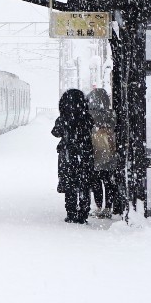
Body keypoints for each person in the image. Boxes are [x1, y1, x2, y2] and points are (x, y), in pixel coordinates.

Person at [52, 88, 95, 224]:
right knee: (84, 184)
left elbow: (55, 132)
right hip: (85, 154)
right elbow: (91, 127)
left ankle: (71, 213)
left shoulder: (63, 118)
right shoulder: (87, 117)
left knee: (70, 185)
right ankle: (83, 214)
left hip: (68, 155)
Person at [87, 87, 122, 217]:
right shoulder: (111, 114)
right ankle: (108, 207)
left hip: (95, 151)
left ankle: (98, 206)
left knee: (96, 182)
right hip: (109, 150)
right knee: (108, 182)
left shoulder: (90, 114)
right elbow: (114, 127)